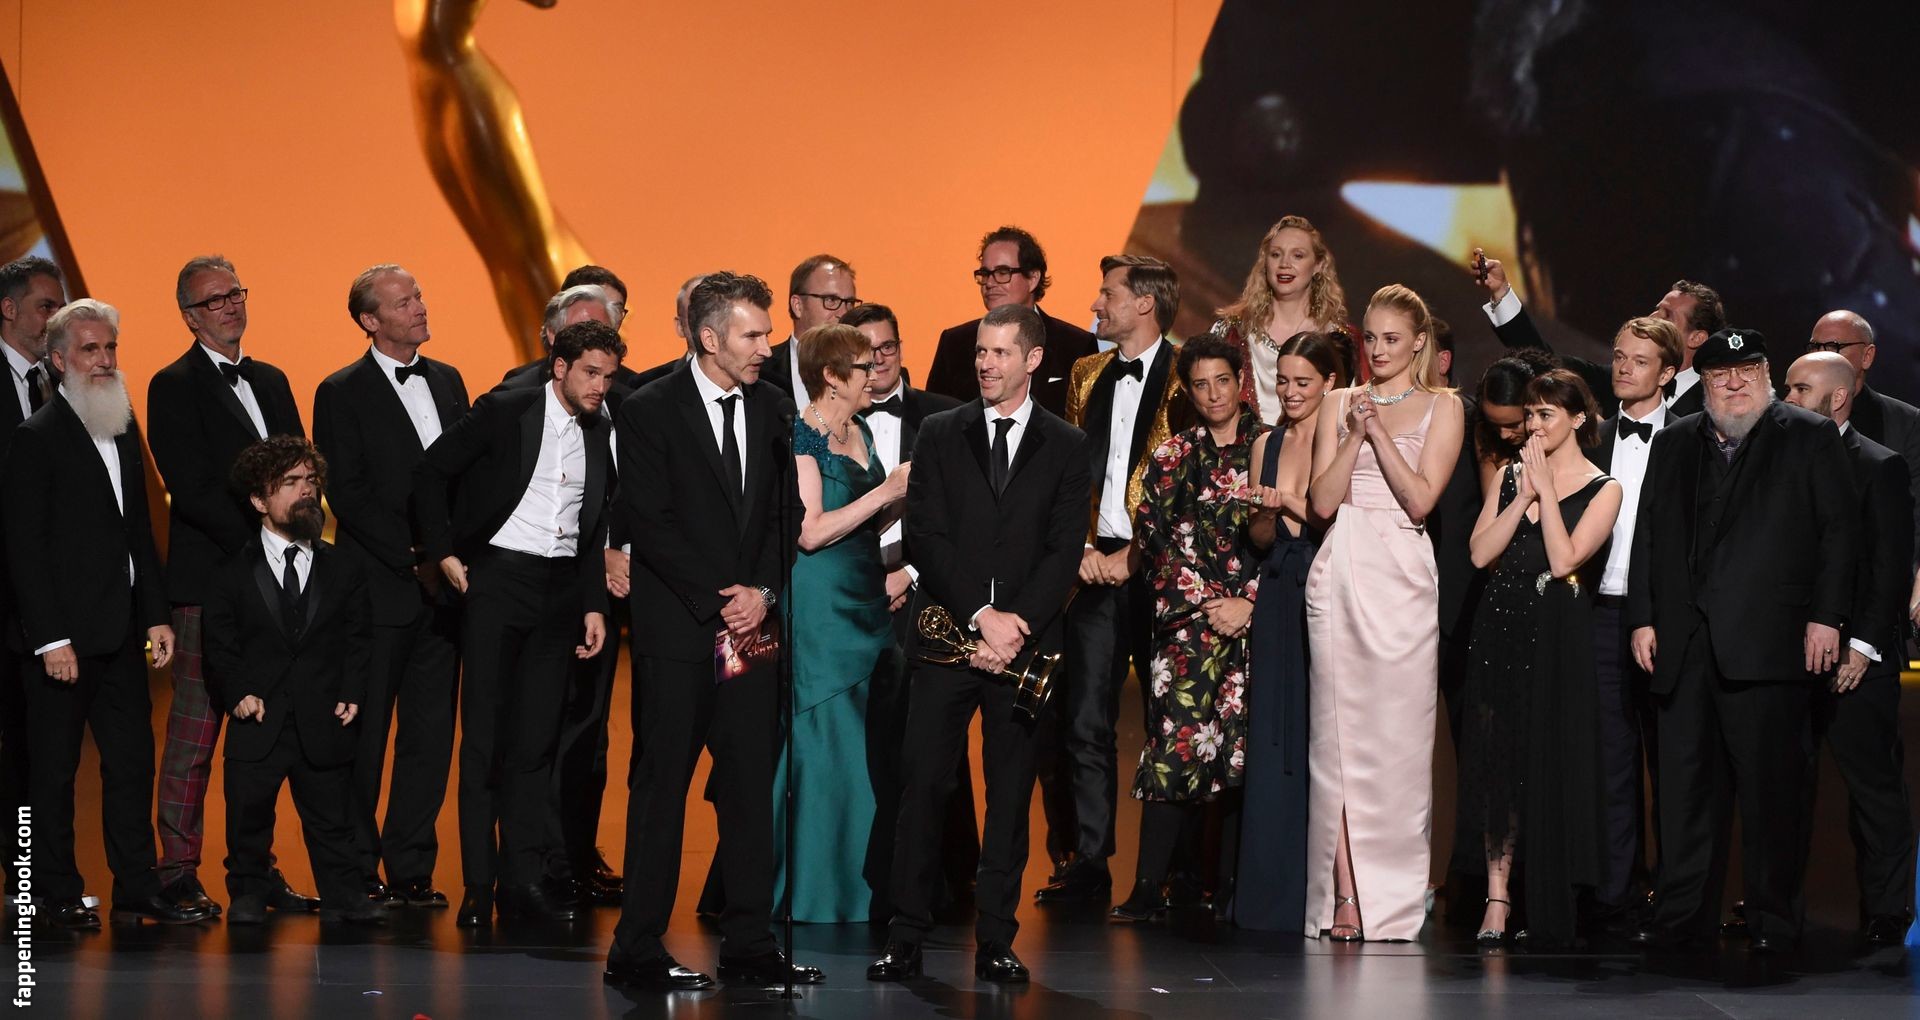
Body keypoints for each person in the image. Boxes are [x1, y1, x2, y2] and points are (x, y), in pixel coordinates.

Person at [604, 272, 819, 993]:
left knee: (750, 786)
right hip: (679, 632)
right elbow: (650, 520)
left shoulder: (774, 407)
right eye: (753, 335)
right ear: (709, 337)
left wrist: (761, 593)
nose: (766, 348)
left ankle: (750, 945)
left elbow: (785, 516)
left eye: (766, 334)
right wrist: (720, 599)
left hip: (751, 628)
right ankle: (636, 948)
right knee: (662, 788)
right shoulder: (648, 408)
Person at [869, 304, 1091, 984]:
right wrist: (980, 614)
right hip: (947, 639)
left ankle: (996, 937)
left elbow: (1063, 551)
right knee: (923, 786)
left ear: (1033, 360)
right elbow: (926, 535)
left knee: (1010, 793)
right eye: (981, 352)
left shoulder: (1067, 444)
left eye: (999, 353)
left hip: (1024, 646)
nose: (985, 364)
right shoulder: (940, 431)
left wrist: (1013, 623)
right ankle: (905, 934)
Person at [1627, 328, 1854, 952]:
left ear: (1765, 374)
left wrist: (1828, 617)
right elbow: (1650, 533)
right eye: (1721, 373)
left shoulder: (1807, 435)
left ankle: (1773, 921)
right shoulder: (1675, 442)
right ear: (1702, 381)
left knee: (1772, 793)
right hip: (1685, 644)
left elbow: (1839, 534)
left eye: (1747, 370)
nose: (1734, 383)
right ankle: (1682, 919)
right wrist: (1643, 616)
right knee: (1684, 792)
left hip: (1772, 642)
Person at [2, 299, 207, 928]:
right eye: (90, 349)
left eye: (110, 347)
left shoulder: (121, 424)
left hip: (120, 633)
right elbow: (24, 550)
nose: (104, 360)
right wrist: (49, 639)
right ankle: (50, 893)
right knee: (52, 773)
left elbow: (138, 529)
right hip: (62, 641)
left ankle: (137, 887)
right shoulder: (35, 438)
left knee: (131, 764)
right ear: (58, 360)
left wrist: (156, 616)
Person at [413, 319, 620, 926]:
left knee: (536, 742)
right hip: (498, 583)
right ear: (559, 367)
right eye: (590, 373)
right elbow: (430, 472)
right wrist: (443, 552)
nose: (600, 386)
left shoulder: (601, 431)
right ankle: (478, 886)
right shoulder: (505, 411)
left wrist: (593, 603)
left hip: (560, 593)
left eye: (608, 376)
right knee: (485, 740)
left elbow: (591, 526)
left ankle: (522, 881)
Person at [146, 255, 313, 919]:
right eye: (214, 300)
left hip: (277, 583)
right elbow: (189, 488)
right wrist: (258, 546)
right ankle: (176, 872)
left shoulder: (271, 379)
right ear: (190, 316)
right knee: (195, 736)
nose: (230, 306)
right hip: (211, 583)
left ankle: (254, 871)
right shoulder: (172, 385)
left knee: (263, 738)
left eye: (235, 293)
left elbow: (300, 471)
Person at [1303, 283, 1465, 942]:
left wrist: (1378, 433)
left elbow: (1422, 501)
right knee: (1337, 740)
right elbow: (1321, 502)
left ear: (1420, 342)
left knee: (1398, 743)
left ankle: (1394, 897)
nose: (1378, 350)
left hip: (1403, 574)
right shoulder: (1337, 401)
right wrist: (1352, 434)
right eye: (1370, 338)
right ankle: (1344, 896)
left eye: (1392, 339)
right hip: (1343, 566)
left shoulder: (1445, 406)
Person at [313, 263, 470, 912]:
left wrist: (453, 553)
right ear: (370, 320)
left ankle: (411, 868)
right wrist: (415, 556)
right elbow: (347, 492)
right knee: (367, 737)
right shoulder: (340, 391)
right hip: (381, 590)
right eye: (404, 302)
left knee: (429, 739)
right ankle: (356, 869)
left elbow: (466, 475)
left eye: (419, 297)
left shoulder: (449, 378)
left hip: (445, 591)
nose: (420, 308)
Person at [1042, 255, 1186, 908]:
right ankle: (1091, 863)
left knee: (1168, 723)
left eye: (1108, 293)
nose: (1096, 304)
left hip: (1161, 572)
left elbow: (1190, 485)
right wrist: (1077, 548)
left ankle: (1165, 876)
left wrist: (1136, 554)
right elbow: (1070, 470)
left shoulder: (1187, 375)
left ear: (1145, 303)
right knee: (1085, 721)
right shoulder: (1085, 372)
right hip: (1091, 569)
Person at [1459, 370, 1620, 948]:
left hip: (1557, 634)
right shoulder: (1509, 476)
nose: (1533, 425)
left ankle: (1548, 894)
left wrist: (1547, 493)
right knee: (1497, 762)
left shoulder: (1604, 488)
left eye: (1546, 414)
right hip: (1500, 627)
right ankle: (1497, 897)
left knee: (1547, 757)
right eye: (1530, 414)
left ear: (1577, 419)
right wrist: (1524, 494)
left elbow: (1564, 559)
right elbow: (1480, 553)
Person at [202, 436, 384, 926]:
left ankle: (345, 895)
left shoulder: (342, 566)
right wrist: (238, 692)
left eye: (311, 480)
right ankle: (247, 892)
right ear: (259, 500)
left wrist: (352, 691)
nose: (307, 490)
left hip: (322, 715)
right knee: (249, 815)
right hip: (259, 717)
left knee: (332, 818)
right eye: (290, 482)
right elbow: (220, 643)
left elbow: (358, 637)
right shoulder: (230, 572)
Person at [1113, 334, 1263, 922]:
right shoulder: (1172, 455)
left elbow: (1295, 536)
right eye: (1200, 385)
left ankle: (1231, 889)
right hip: (1189, 628)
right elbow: (1154, 539)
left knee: (1243, 755)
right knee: (1173, 748)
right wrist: (1209, 605)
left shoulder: (1272, 447)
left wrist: (1248, 603)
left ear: (1240, 380)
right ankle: (1149, 886)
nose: (1214, 394)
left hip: (1258, 623)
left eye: (1222, 380)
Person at [772, 323, 910, 922]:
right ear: (831, 376)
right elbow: (809, 531)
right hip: (821, 601)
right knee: (825, 734)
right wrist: (887, 493)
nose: (874, 373)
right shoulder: (802, 437)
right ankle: (814, 890)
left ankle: (864, 885)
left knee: (866, 740)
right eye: (862, 366)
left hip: (866, 594)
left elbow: (866, 521)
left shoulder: (860, 430)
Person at [840, 302, 969, 921]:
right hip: (845, 597)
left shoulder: (944, 416)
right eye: (865, 352)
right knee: (852, 739)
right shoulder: (826, 422)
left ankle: (939, 882)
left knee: (930, 745)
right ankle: (854, 877)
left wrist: (909, 572)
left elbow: (961, 516)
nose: (878, 361)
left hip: (925, 595)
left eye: (887, 347)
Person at [1781, 352, 1914, 945]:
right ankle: (1776, 908)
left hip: (1859, 659)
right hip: (1786, 657)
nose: (1787, 398)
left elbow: (1889, 568)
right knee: (1784, 787)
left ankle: (1887, 909)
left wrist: (1861, 648)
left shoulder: (1880, 466)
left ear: (1838, 398)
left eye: (1799, 389)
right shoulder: (1773, 460)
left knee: (1874, 786)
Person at [1236, 330, 1345, 931]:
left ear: (1330, 383)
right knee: (1275, 733)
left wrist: (1289, 501)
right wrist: (1262, 511)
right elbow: (1259, 538)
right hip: (1279, 589)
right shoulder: (1266, 443)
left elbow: (1336, 519)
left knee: (1323, 732)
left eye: (1304, 381)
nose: (1291, 392)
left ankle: (1328, 894)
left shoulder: (1344, 438)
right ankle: (1268, 897)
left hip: (1329, 582)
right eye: (1282, 380)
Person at [1582, 316, 1681, 925]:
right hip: (1599, 611)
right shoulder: (1588, 435)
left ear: (1667, 373)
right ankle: (1615, 893)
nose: (1622, 368)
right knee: (1609, 760)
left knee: (1669, 760)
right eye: (1619, 356)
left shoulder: (1691, 437)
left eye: (1639, 361)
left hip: (1665, 620)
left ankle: (1673, 898)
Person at [0, 255, 64, 827]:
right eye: (46, 307)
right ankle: (20, 866)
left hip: (50, 600)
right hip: (5, 593)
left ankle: (40, 867)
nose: (55, 319)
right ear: (8, 308)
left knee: (42, 744)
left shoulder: (61, 381)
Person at [924, 226, 1097, 413]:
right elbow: (936, 415)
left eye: (1002, 272)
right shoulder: (954, 343)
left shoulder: (1076, 345)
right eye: (985, 274)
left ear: (1033, 278)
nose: (990, 283)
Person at [1208, 216, 1354, 424]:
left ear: (1318, 265)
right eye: (1276, 255)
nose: (1285, 264)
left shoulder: (1339, 342)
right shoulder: (1229, 332)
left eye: (1298, 255)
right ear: (1265, 262)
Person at [1805, 310, 1920, 563]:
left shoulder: (1906, 423)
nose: (1821, 355)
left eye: (1834, 347)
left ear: (1867, 356)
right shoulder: (1788, 420)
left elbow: (1915, 516)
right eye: (1814, 347)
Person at [765, 254, 859, 398]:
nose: (844, 313)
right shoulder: (761, 371)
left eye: (850, 303)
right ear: (798, 306)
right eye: (831, 300)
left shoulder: (866, 370)